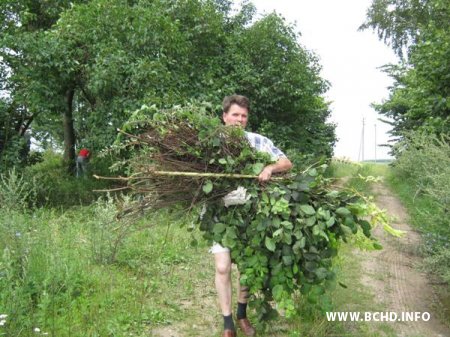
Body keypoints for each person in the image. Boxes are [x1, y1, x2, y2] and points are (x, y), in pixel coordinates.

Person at [214, 95, 293, 337]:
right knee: (223, 267)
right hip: (220, 215)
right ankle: (228, 325)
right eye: (235, 115)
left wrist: (269, 167)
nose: (239, 120)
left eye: (244, 116)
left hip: (251, 214)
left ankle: (241, 315)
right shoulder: (210, 143)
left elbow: (286, 162)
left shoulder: (258, 141)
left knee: (247, 267)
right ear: (224, 116)